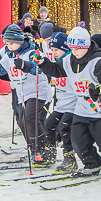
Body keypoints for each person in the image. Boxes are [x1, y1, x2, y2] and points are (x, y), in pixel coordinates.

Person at [37, 24, 101, 176]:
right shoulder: (69, 61)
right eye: (72, 48)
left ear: (86, 46)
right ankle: (91, 163)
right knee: (77, 140)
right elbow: (56, 70)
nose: (74, 52)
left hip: (100, 110)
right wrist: (42, 63)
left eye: (77, 48)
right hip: (81, 109)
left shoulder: (97, 62)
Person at [0, 24, 54, 164]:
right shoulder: (9, 55)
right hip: (22, 94)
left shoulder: (32, 52)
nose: (8, 46)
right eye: (6, 43)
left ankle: (43, 150)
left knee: (30, 118)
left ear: (19, 40)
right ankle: (34, 149)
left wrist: (25, 65)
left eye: (11, 43)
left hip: (38, 91)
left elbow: (40, 69)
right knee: (21, 121)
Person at [41, 29, 78, 173]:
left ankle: (70, 160)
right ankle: (50, 155)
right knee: (49, 124)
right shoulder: (57, 62)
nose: (54, 53)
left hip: (73, 105)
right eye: (52, 50)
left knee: (64, 128)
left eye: (56, 50)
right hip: (62, 105)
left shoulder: (70, 62)